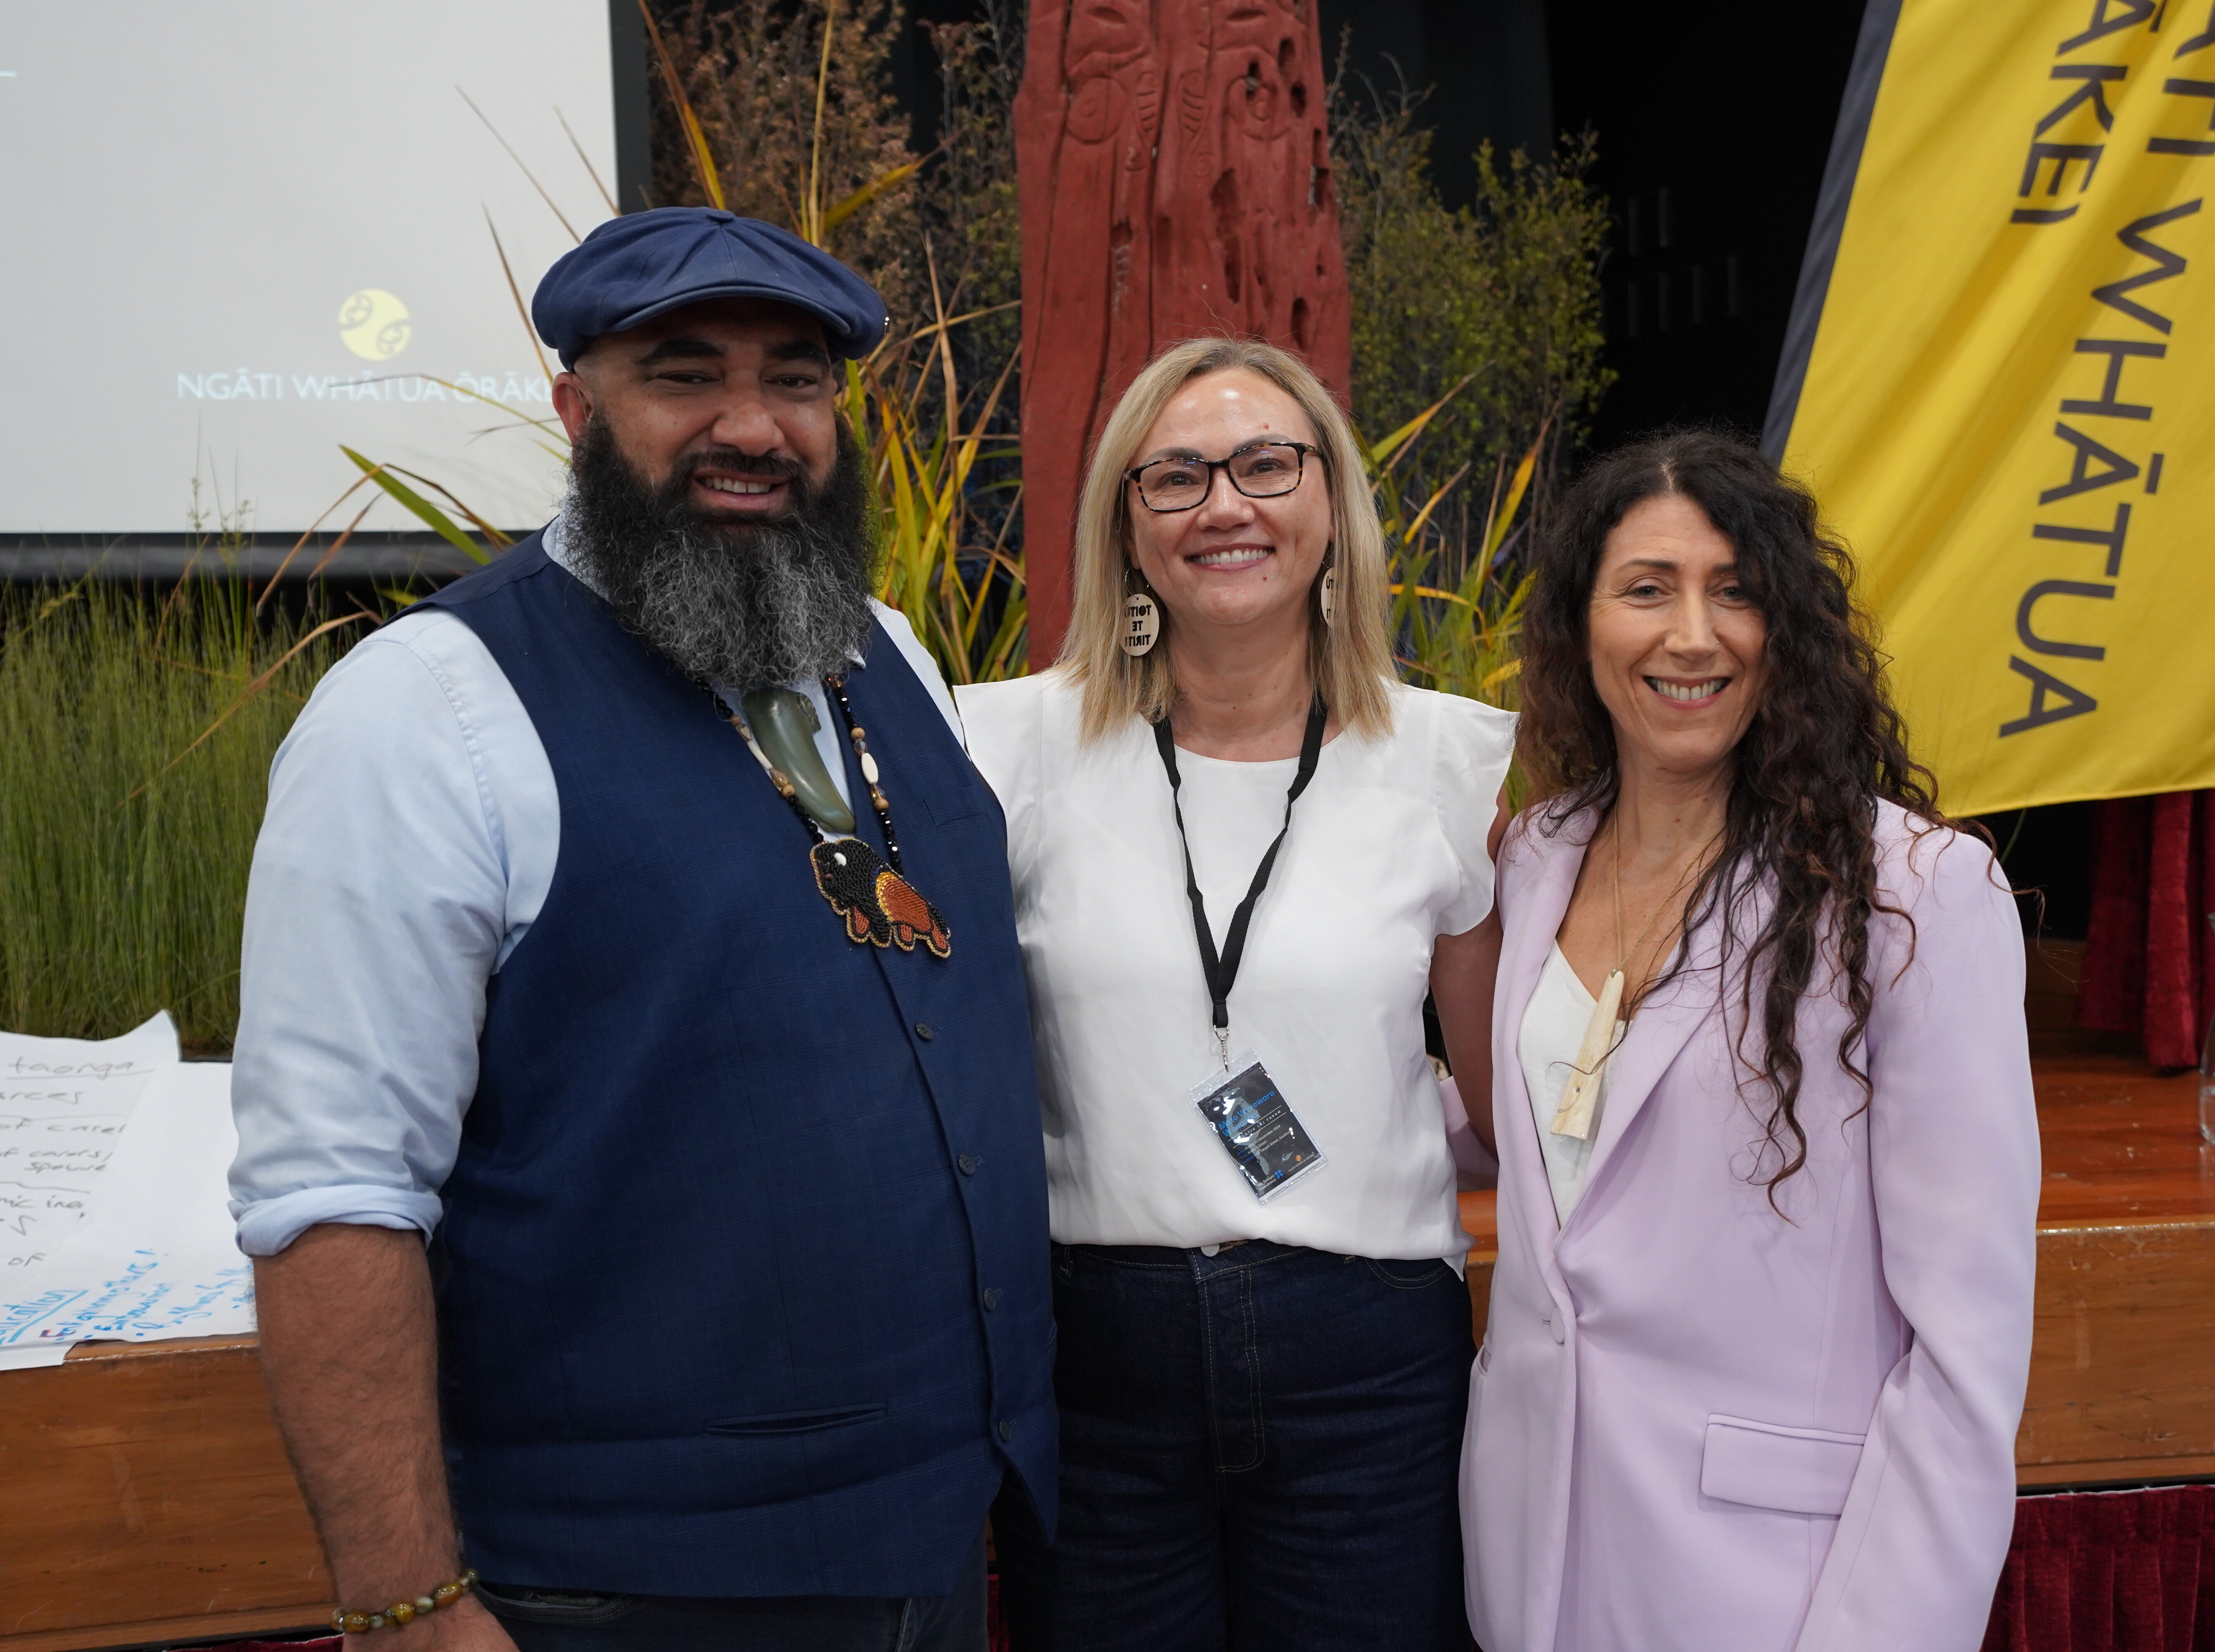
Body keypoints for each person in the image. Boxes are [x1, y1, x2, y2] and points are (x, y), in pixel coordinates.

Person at [229, 209, 1054, 1652]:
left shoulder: (890, 652)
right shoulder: (425, 712)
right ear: (575, 407)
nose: (754, 425)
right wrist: (406, 1605)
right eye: (685, 376)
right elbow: (335, 1195)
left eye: (795, 380)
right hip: (633, 1592)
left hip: (934, 1539)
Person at [957, 337, 1516, 1651]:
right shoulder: (1003, 750)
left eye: (1268, 464)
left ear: (1331, 501)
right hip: (1096, 1361)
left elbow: (1509, 1103)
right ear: (1126, 526)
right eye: (1176, 477)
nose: (1226, 505)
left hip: (1369, 1368)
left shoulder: (1445, 759)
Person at [1456, 430, 2038, 1652]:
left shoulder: (1914, 894)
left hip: (1779, 1580)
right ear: (1578, 626)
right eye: (1646, 589)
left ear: (1790, 628)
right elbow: (1552, 1131)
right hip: (1529, 1547)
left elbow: (1964, 1345)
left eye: (1735, 591)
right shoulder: (1532, 856)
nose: (1692, 634)